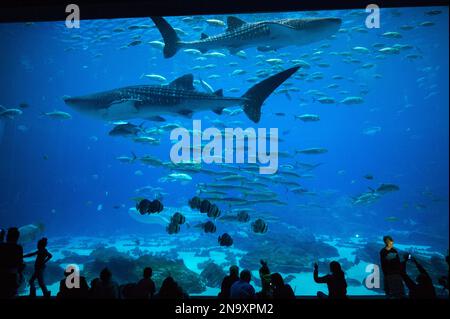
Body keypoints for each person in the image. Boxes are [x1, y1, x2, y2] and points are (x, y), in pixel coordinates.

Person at [0, 227, 25, 298]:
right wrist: (20, 273)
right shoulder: (18, 248)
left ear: (7, 236)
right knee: (12, 294)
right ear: (17, 237)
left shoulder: (2, 246)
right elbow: (20, 263)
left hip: (2, 275)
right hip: (13, 276)